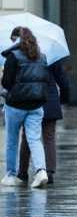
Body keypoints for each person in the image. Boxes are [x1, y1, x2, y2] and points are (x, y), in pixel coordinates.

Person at [0, 27, 49, 189]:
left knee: (12, 140)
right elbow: (45, 80)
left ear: (17, 40)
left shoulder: (13, 57)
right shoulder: (41, 57)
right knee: (34, 139)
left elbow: (6, 83)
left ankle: (11, 175)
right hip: (36, 105)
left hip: (15, 105)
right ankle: (41, 171)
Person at [18, 57, 70, 186]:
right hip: (50, 100)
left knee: (27, 137)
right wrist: (62, 100)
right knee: (49, 138)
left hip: (30, 99)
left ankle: (23, 172)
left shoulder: (24, 55)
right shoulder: (52, 56)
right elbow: (64, 82)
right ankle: (50, 172)